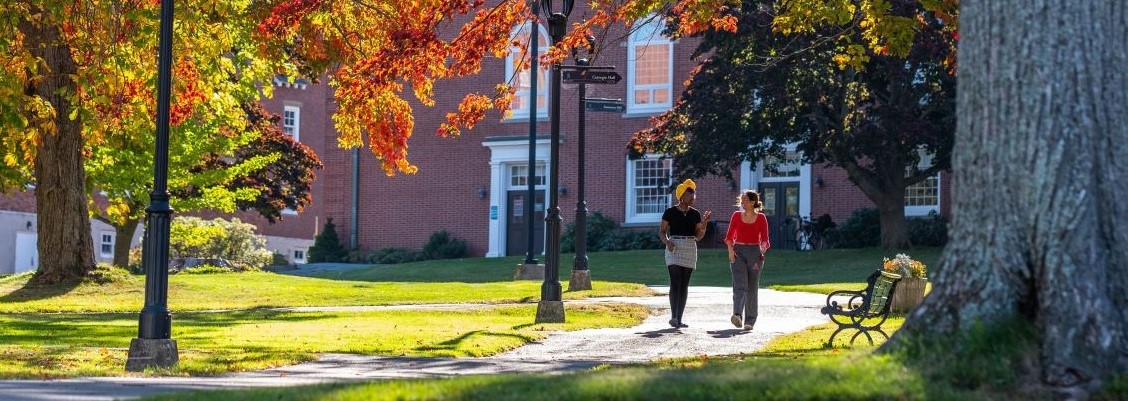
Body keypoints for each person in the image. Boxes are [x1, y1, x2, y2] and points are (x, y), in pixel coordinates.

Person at [659, 179, 711, 328]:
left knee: (684, 284)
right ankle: (673, 316)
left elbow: (699, 236)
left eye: (694, 195)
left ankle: (679, 319)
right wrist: (667, 242)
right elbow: (662, 232)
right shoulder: (670, 212)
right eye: (690, 194)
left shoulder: (695, 214)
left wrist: (705, 223)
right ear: (682, 196)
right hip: (674, 246)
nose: (693, 197)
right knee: (675, 281)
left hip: (690, 246)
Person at [723, 190, 771, 331]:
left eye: (745, 200)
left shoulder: (761, 218)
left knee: (752, 287)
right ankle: (737, 315)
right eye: (741, 199)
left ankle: (750, 321)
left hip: (755, 253)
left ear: (752, 202)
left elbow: (765, 239)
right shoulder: (736, 216)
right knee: (740, 285)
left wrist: (762, 248)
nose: (742, 202)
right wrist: (731, 251)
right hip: (738, 252)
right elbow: (729, 237)